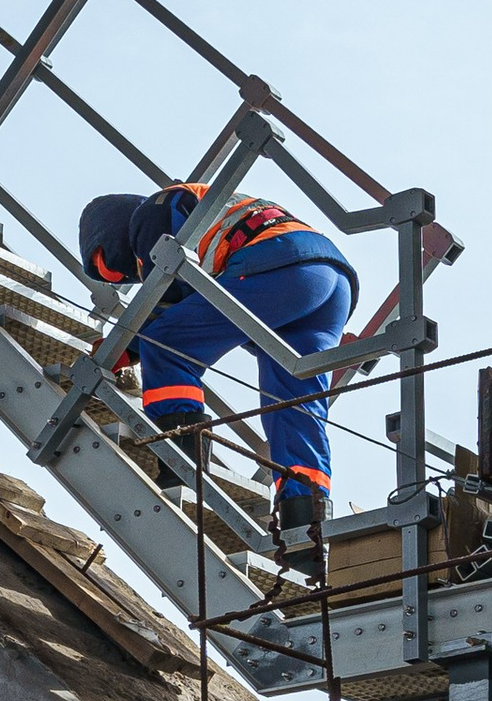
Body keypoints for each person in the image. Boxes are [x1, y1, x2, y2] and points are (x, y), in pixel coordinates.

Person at [79, 183, 358, 553]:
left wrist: (125, 347)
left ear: (109, 234)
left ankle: (182, 453)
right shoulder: (197, 215)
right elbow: (188, 304)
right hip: (330, 280)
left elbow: (163, 299)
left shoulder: (155, 211)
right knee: (292, 398)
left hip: (277, 260)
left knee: (166, 343)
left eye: (111, 269)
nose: (127, 277)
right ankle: (303, 518)